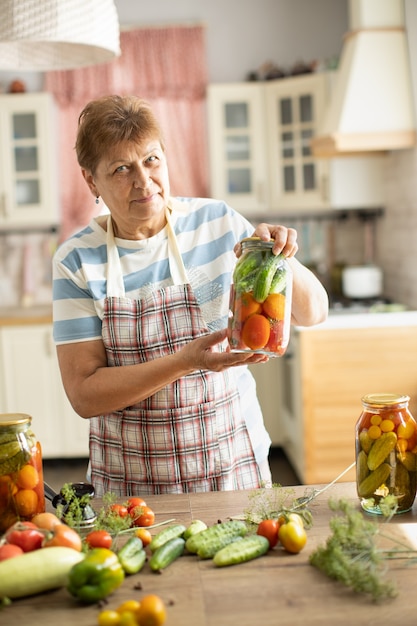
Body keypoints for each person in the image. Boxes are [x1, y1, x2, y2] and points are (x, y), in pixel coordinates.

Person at [52, 94, 328, 497]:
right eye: (121, 168)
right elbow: (84, 394)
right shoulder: (77, 261)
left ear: (165, 155)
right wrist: (184, 362)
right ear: (91, 180)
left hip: (232, 470)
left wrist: (279, 259)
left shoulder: (218, 223)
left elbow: (314, 311)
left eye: (151, 160)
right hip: (133, 491)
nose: (143, 182)